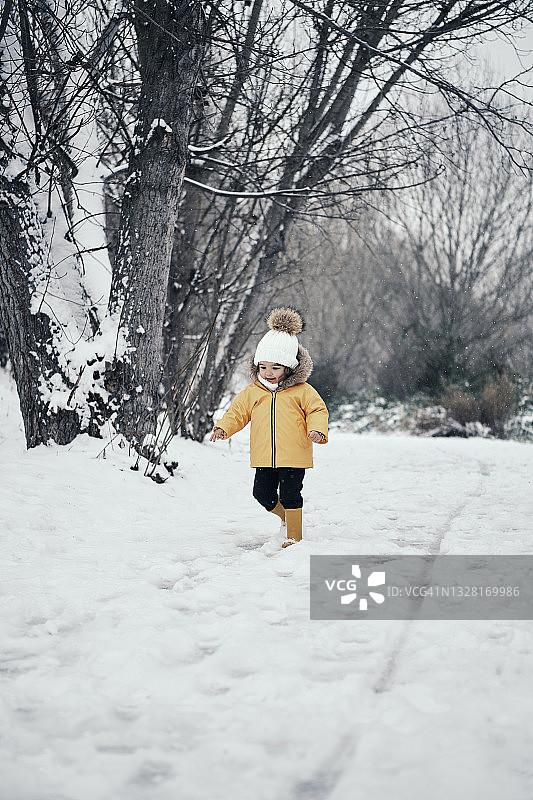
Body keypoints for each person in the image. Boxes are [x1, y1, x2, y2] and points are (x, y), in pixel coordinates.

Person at [209, 308, 328, 548]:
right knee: (262, 494)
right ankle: (286, 517)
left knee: (291, 495)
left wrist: (317, 430)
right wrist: (224, 428)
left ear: (289, 367)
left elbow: (318, 410)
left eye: (275, 367)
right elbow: (237, 413)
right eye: (263, 367)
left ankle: (294, 536)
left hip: (294, 456)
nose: (268, 373)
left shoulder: (302, 391)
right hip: (265, 456)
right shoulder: (254, 392)